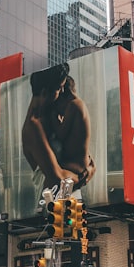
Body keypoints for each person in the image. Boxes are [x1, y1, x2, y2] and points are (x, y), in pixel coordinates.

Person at [21, 64, 95, 195]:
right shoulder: (33, 126)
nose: (62, 92)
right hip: (53, 198)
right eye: (59, 88)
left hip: (68, 193)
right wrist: (86, 174)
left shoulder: (50, 114)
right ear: (44, 92)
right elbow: (58, 178)